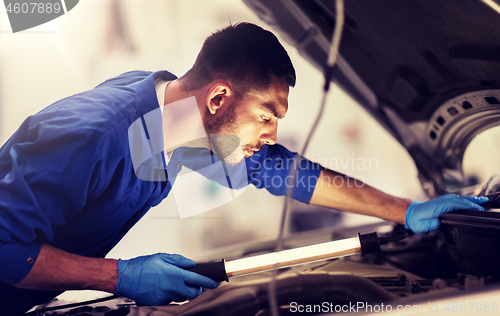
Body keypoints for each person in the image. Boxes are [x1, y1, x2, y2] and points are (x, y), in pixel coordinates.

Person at [0, 23, 487, 314]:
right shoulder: (92, 134)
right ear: (217, 98)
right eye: (266, 116)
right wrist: (118, 276)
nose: (272, 133)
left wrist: (407, 209)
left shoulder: (180, 119)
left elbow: (278, 169)